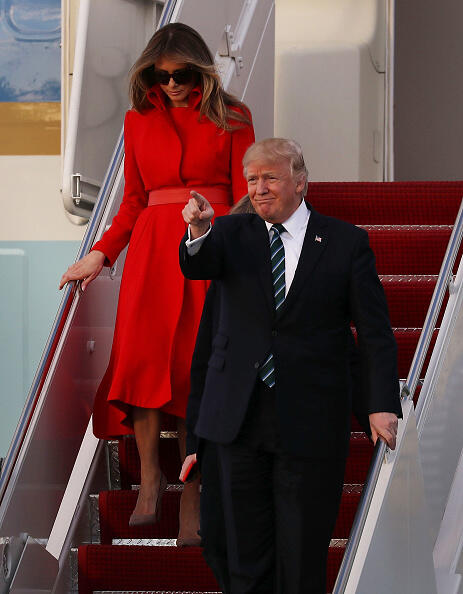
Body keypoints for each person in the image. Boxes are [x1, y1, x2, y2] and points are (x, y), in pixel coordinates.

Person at [59, 22, 254, 544]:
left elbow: (245, 196)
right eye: (160, 75)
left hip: (205, 246)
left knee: (198, 367)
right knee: (141, 363)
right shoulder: (137, 119)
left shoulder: (233, 116)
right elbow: (133, 203)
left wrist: (227, 247)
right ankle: (150, 478)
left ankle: (194, 490)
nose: (171, 84)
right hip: (149, 252)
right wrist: (99, 254)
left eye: (182, 74)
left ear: (201, 71)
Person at [179, 138, 402, 592]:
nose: (259, 188)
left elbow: (374, 333)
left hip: (310, 420)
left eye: (270, 177)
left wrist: (380, 404)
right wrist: (199, 231)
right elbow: (199, 275)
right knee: (240, 552)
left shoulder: (345, 242)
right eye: (252, 179)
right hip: (237, 419)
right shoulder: (229, 235)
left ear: (300, 182)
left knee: (301, 554)